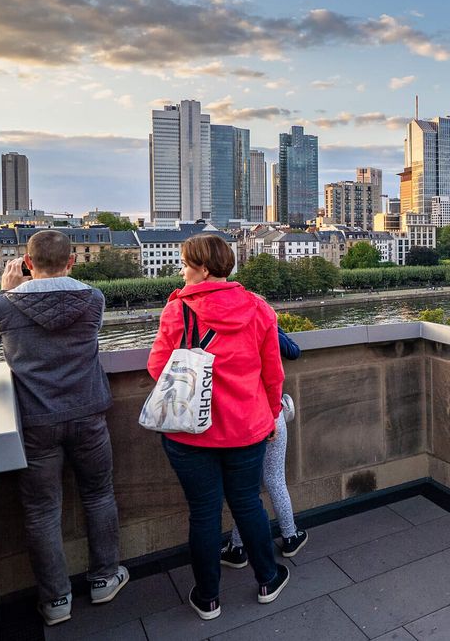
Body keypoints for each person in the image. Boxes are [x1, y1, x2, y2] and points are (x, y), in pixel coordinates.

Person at [0, 230, 127, 626]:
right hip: (89, 412)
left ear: (26, 261)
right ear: (72, 261)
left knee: (42, 511)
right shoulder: (93, 299)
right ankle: (105, 578)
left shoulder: (2, 304)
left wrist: (6, 291)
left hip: (36, 420)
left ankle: (57, 601)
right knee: (99, 495)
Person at [147, 234, 288, 621]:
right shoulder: (259, 308)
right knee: (248, 504)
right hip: (246, 426)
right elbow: (273, 373)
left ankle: (208, 597)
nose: (181, 270)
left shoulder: (177, 311)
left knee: (204, 513)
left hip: (190, 432)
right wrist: (272, 412)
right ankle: (268, 579)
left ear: (203, 269)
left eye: (185, 264)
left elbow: (158, 369)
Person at [220, 326, 306, 569]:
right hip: (269, 413)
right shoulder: (262, 326)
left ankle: (237, 547)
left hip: (239, 419)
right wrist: (275, 325)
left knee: (246, 490)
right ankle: (290, 536)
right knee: (275, 479)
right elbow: (293, 351)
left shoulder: (226, 332)